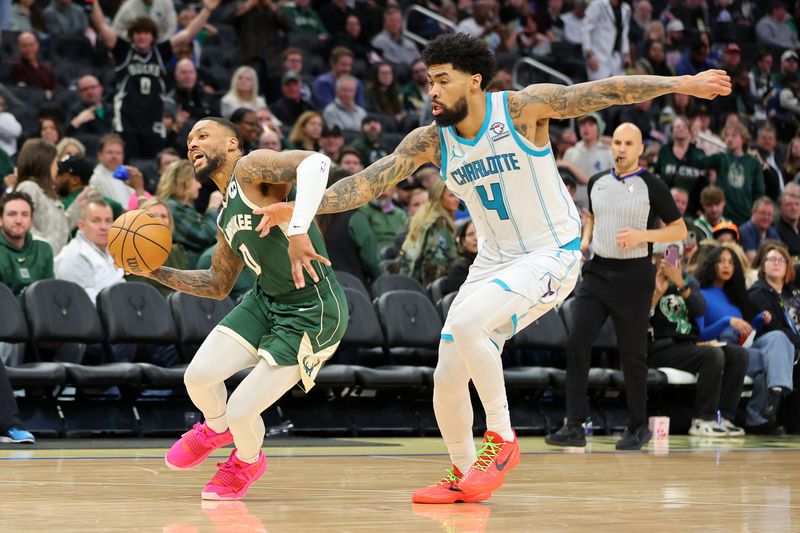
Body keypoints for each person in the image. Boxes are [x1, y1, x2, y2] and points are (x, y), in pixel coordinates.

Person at [253, 33, 730, 501]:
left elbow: (603, 91)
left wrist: (680, 82)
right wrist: (301, 209)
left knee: (464, 322)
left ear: (475, 81)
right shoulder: (431, 141)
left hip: (552, 252)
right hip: (494, 261)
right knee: (446, 374)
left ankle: (501, 437)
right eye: (429, 81)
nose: (433, 91)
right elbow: (367, 183)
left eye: (443, 80)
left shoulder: (521, 111)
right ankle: (463, 473)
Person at [134, 117, 347, 501]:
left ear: (232, 143)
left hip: (312, 310)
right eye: (188, 141)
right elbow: (218, 285)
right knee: (198, 377)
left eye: (202, 135)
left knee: (242, 409)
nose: (192, 145)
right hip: (266, 300)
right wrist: (155, 271)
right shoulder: (224, 215)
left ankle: (247, 461)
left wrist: (298, 228)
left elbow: (316, 163)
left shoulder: (250, 169)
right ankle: (215, 428)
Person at [547, 123, 687, 451]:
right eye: (618, 143)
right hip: (597, 273)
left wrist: (644, 237)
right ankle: (575, 424)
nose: (622, 149)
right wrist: (585, 240)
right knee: (577, 341)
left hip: (634, 275)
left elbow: (679, 229)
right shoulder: (595, 182)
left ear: (640, 149)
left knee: (632, 354)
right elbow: (593, 218)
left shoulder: (652, 185)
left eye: (629, 144)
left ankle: (638, 426)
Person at [89, 0, 219, 159]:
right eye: (138, 32)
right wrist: (94, 3)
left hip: (154, 123)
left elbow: (187, 35)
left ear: (153, 36)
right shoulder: (124, 51)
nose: (142, 36)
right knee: (128, 170)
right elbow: (102, 27)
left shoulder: (160, 53)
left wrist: (207, 10)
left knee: (153, 170)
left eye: (146, 32)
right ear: (132, 35)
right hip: (126, 123)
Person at [696, 245, 795, 434]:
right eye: (721, 261)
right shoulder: (701, 293)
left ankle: (772, 398)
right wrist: (727, 321)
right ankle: (758, 417)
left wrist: (757, 322)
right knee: (773, 360)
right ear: (711, 265)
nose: (726, 266)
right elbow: (700, 334)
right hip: (717, 350)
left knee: (778, 340)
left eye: (731, 262)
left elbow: (745, 333)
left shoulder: (736, 296)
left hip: (741, 349)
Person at [155, 159, 221, 268]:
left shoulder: (180, 206)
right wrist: (213, 208)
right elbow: (202, 237)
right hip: (187, 270)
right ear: (184, 181)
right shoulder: (170, 207)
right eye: (196, 179)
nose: (200, 185)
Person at [397, 178, 459, 286]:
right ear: (439, 197)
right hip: (426, 286)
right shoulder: (439, 222)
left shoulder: (427, 216)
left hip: (409, 281)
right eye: (451, 195)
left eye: (457, 194)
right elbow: (437, 262)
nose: (457, 199)